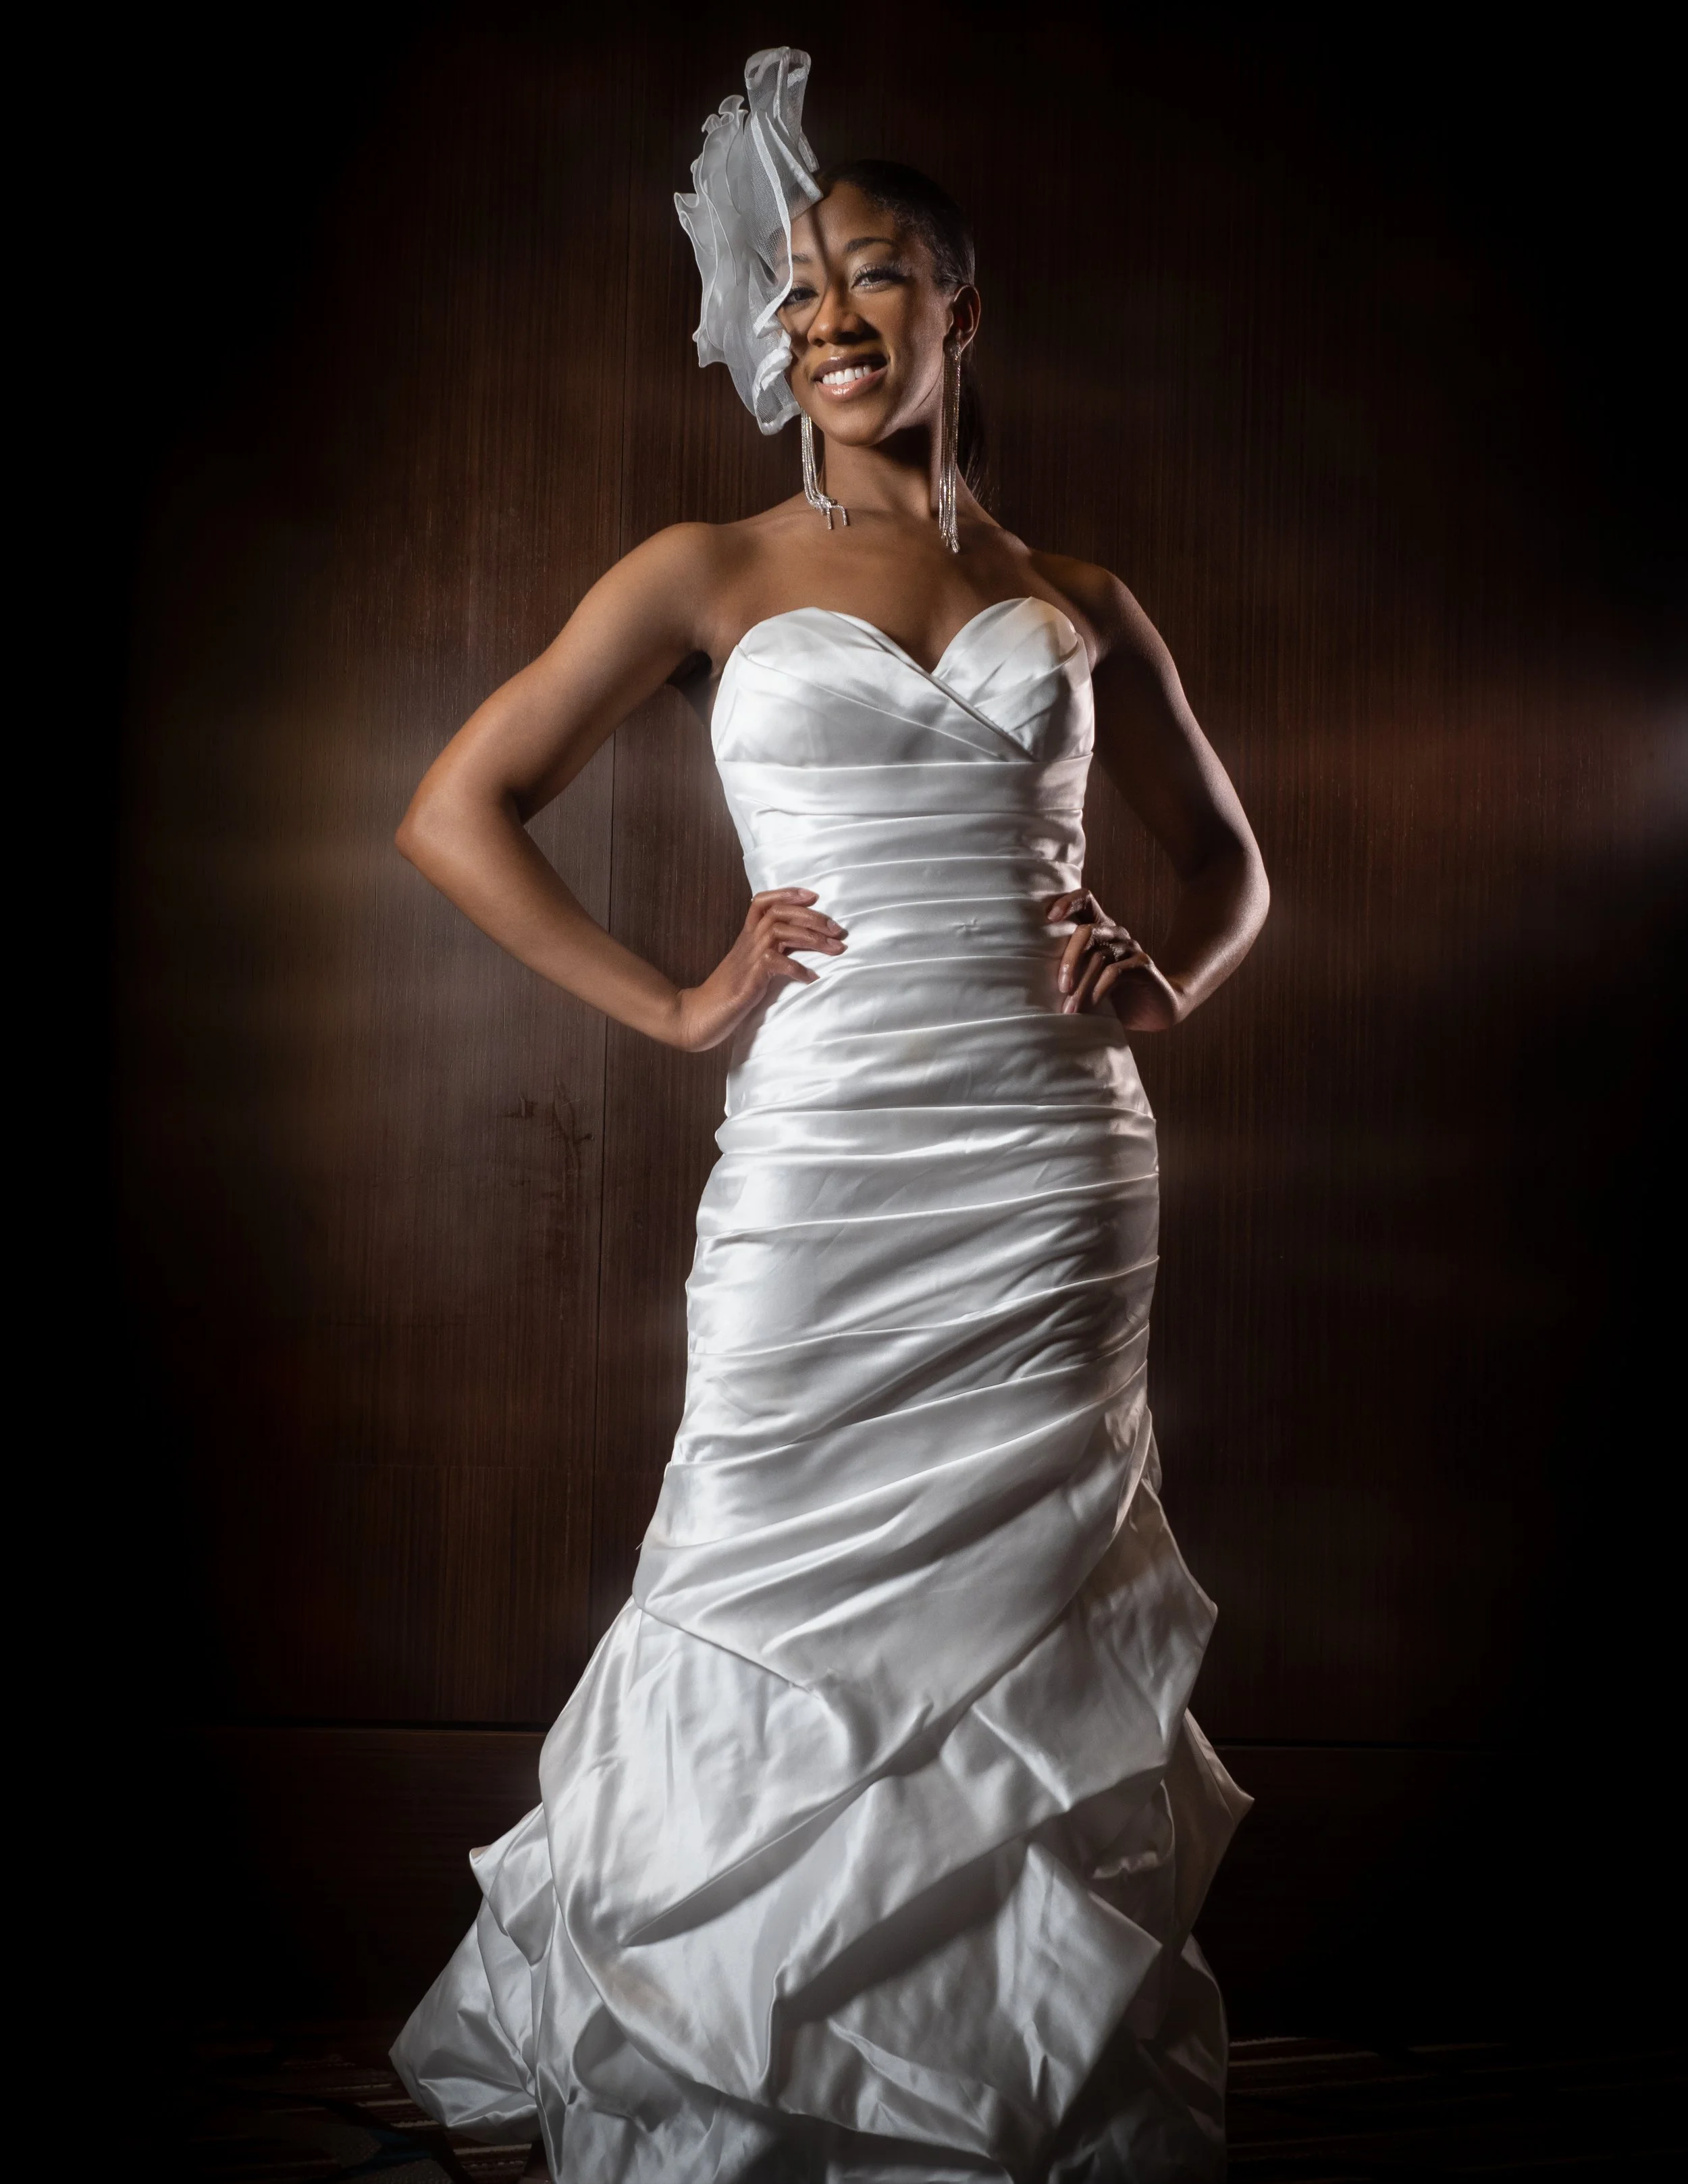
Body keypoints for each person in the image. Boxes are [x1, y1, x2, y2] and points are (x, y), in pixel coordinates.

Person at [390, 47, 1269, 2183]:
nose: (829, 319)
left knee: (1021, 1619)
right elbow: (455, 811)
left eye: (875, 277)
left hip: (1052, 1162)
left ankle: (1000, 2093)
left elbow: (1234, 871)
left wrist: (1167, 981)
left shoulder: (1080, 595)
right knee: (767, 1577)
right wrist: (685, 1006)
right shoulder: (702, 565)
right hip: (826, 1157)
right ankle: (725, 2083)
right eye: (797, 292)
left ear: (963, 311)